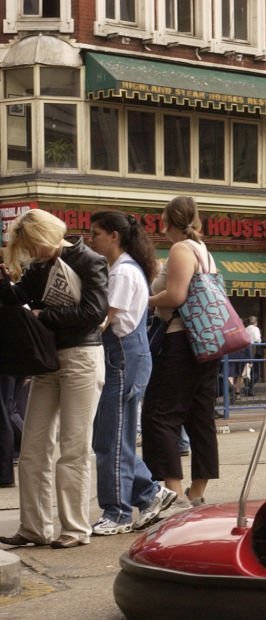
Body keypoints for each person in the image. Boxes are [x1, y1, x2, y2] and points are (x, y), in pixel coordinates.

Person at [0, 209, 108, 549]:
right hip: (48, 361)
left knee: (73, 447)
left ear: (47, 235)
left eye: (34, 245)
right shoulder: (39, 266)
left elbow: (95, 312)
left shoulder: (89, 260)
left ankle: (74, 529)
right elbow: (18, 298)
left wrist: (44, 315)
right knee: (33, 448)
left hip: (81, 357)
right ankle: (34, 527)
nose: (32, 253)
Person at [88, 211, 177, 535]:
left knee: (112, 437)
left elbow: (102, 320)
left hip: (123, 358)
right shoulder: (122, 268)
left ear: (114, 236)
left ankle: (118, 512)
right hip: (124, 356)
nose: (90, 239)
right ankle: (150, 493)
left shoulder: (123, 273)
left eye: (95, 233)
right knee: (110, 435)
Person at [142, 196, 221, 509]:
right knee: (200, 416)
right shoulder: (203, 250)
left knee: (160, 413)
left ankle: (172, 491)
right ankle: (197, 491)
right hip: (207, 342)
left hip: (180, 340)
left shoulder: (180, 249)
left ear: (166, 220)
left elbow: (175, 296)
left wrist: (146, 301)